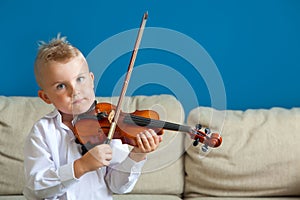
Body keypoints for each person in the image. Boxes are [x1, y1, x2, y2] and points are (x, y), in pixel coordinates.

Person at [23, 34, 162, 200]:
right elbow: (36, 188)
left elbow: (117, 186)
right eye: (61, 86)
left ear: (91, 80)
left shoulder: (108, 124)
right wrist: (80, 167)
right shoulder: (42, 131)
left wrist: (137, 155)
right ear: (45, 97)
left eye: (80, 79)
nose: (74, 91)